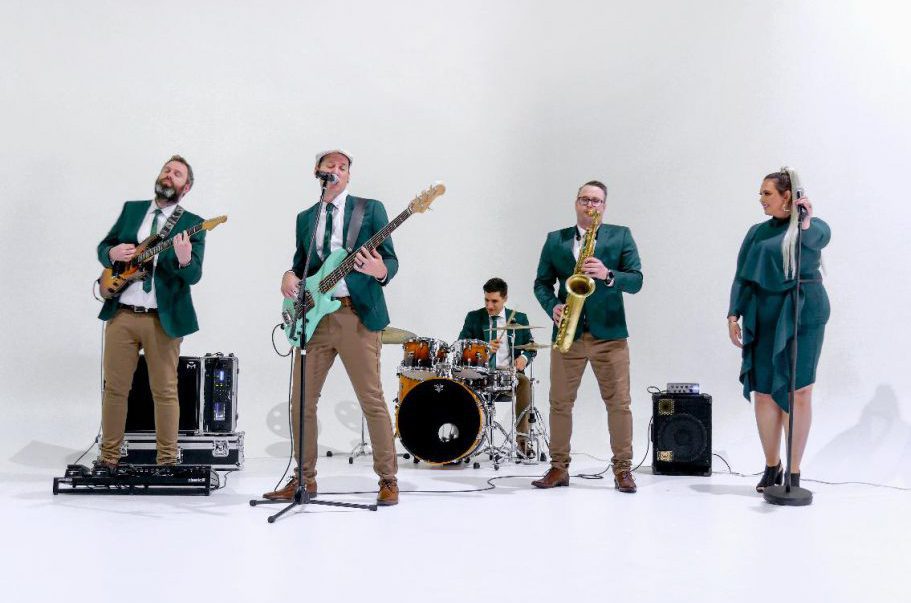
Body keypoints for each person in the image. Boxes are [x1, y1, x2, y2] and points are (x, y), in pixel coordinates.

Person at [263, 149, 400, 506]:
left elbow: (391, 259)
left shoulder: (370, 209)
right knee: (301, 402)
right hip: (313, 318)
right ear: (318, 172)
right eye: (330, 166)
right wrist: (288, 275)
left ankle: (388, 479)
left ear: (349, 176)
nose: (337, 170)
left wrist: (380, 271)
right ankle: (302, 480)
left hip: (357, 315)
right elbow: (302, 265)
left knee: (371, 399)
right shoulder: (306, 217)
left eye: (343, 167)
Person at [531, 180, 643, 493]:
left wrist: (608, 275)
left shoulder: (620, 235)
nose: (590, 205)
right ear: (576, 203)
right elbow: (541, 283)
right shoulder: (556, 239)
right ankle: (558, 467)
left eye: (596, 201)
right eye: (584, 199)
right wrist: (552, 306)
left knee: (619, 404)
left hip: (610, 335)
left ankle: (623, 470)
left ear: (604, 206)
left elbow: (636, 281)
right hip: (569, 333)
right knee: (559, 404)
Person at [95, 155, 206, 467]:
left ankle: (168, 462)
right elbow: (104, 248)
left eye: (177, 173)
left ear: (187, 187)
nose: (169, 176)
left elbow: (194, 275)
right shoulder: (133, 210)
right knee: (115, 389)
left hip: (163, 318)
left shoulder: (193, 223)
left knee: (165, 391)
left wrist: (184, 259)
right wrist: (111, 253)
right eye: (166, 170)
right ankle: (108, 459)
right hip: (123, 315)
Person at [727, 169, 830, 492]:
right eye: (761, 193)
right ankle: (772, 466)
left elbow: (817, 239)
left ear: (787, 196)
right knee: (765, 392)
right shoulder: (756, 232)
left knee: (798, 390)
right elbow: (742, 275)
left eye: (767, 193)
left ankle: (794, 473)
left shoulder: (812, 227)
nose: (761, 199)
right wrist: (734, 314)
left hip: (802, 314)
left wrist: (805, 219)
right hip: (763, 315)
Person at [457, 277, 537, 458]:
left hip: (509, 375)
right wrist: (484, 347)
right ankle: (462, 440)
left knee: (524, 382)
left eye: (494, 301)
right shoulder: (474, 317)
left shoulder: (519, 318)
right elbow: (461, 344)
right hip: (480, 374)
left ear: (505, 299)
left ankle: (523, 440)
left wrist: (524, 357)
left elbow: (530, 347)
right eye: (486, 300)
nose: (489, 305)